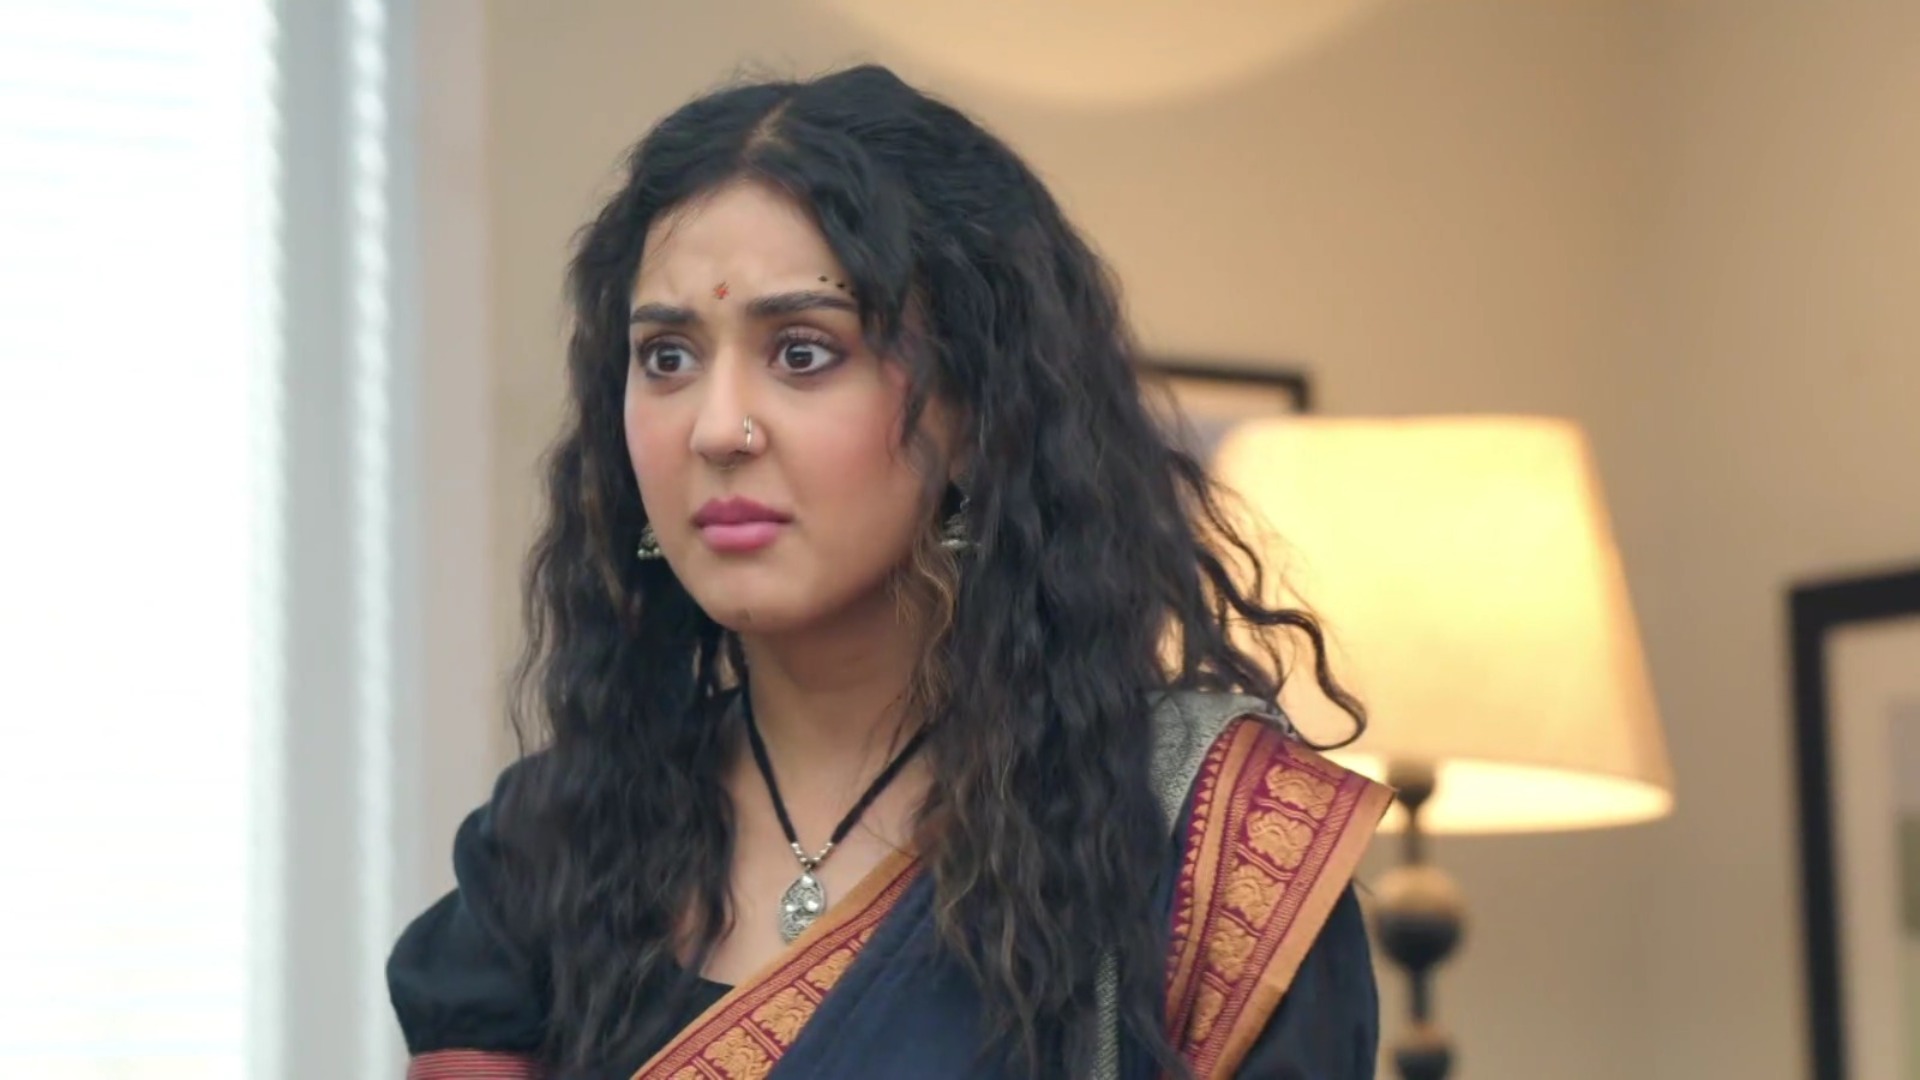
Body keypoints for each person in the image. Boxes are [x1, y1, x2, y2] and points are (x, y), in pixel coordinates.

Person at [387, 64, 1390, 1080]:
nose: (717, 430)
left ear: (975, 413)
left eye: (803, 352)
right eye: (668, 358)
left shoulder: (1207, 854)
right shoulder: (552, 849)